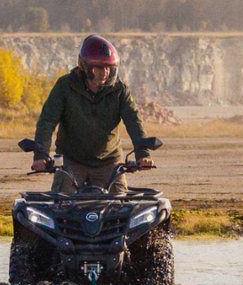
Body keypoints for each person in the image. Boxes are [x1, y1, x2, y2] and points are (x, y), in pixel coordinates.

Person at [31, 35, 152, 193]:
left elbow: (133, 120)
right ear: (84, 66)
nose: (105, 73)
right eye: (99, 68)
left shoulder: (119, 89)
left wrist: (142, 153)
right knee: (62, 205)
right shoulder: (65, 86)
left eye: (109, 68)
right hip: (71, 161)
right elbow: (47, 121)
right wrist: (41, 156)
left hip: (109, 160)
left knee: (120, 206)